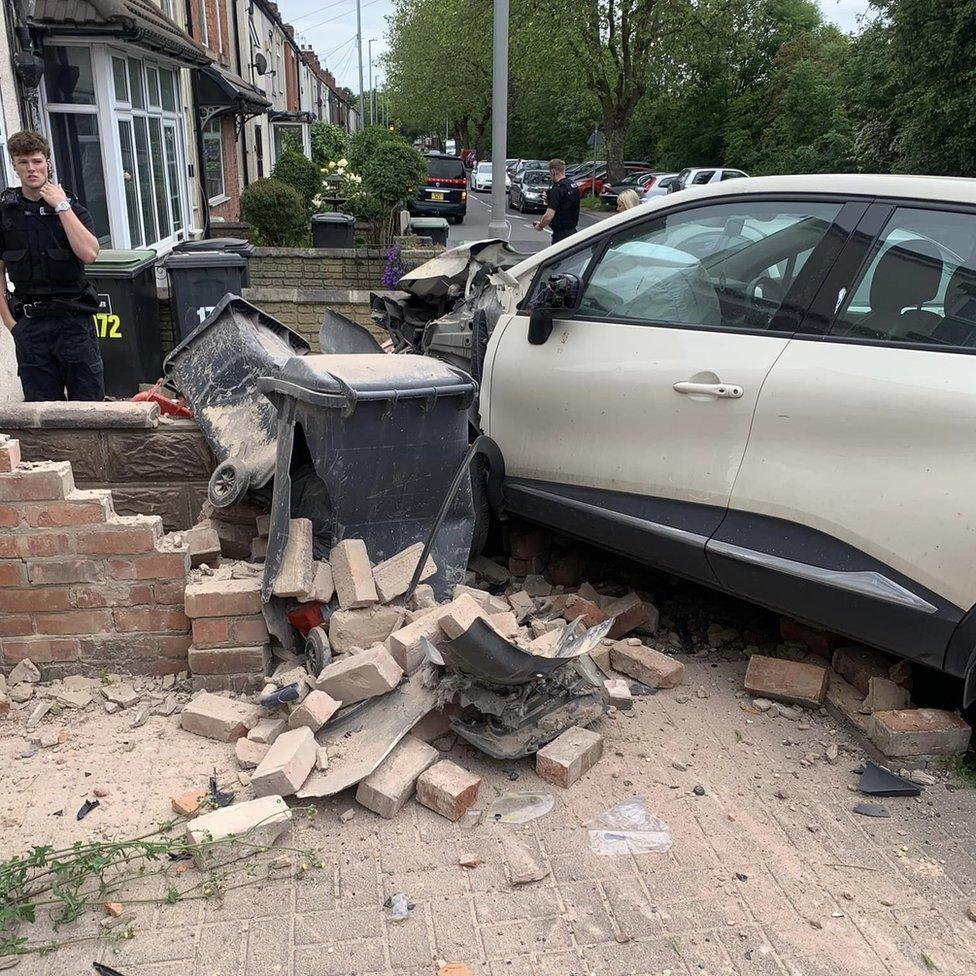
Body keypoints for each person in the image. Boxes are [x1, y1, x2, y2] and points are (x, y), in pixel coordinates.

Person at [0, 130, 102, 401]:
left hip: (74, 324)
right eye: (23, 162)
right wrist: (11, 324)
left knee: (89, 406)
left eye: (36, 161)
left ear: (47, 162)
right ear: (14, 165)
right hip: (30, 326)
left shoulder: (72, 209)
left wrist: (61, 206)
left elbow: (90, 253)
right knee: (42, 413)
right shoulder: (5, 214)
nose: (31, 168)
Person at [533, 158, 580, 244]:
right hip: (572, 231)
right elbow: (566, 204)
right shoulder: (572, 185)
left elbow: (549, 216)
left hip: (561, 235)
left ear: (553, 171)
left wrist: (540, 226)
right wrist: (549, 200)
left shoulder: (557, 189)